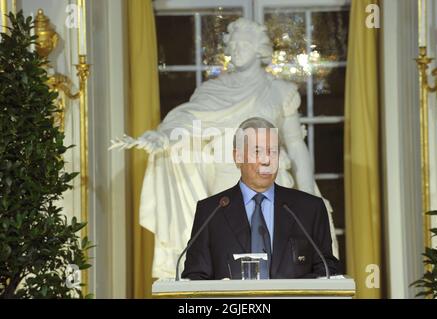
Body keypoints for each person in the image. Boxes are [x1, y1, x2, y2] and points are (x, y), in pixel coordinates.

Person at [111, 18, 338, 278]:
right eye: (234, 43)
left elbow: (296, 145)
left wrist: (308, 193)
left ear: (259, 49)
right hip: (221, 179)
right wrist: (163, 137)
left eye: (245, 44)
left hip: (279, 185)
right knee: (222, 253)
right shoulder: (211, 91)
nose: (238, 49)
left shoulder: (279, 91)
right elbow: (187, 121)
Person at [182, 118, 339, 280]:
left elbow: (327, 270)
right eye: (257, 152)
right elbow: (195, 276)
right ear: (238, 157)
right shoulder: (210, 212)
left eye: (273, 152)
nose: (266, 161)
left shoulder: (309, 209)